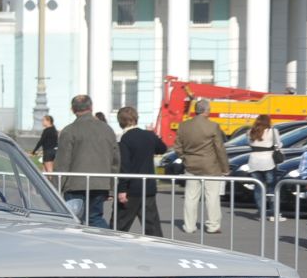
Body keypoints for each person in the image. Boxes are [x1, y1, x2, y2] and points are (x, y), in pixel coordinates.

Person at [53, 93, 117, 227]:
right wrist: (111, 188)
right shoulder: (107, 129)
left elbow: (62, 163)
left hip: (75, 185)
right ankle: (104, 243)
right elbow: (115, 161)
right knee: (96, 218)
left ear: (73, 109)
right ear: (91, 107)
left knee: (74, 220)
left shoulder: (69, 131)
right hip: (100, 184)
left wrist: (55, 188)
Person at [174, 97, 229, 235]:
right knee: (212, 197)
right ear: (207, 111)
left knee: (191, 197)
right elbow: (219, 149)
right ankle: (213, 226)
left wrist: (185, 158)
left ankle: (189, 226)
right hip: (210, 166)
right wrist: (225, 168)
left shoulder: (183, 126)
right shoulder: (213, 126)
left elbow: (177, 147)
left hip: (191, 166)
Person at [113, 107, 165, 236]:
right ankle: (160, 251)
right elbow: (162, 148)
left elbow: (125, 166)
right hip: (148, 187)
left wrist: (122, 189)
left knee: (119, 225)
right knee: (152, 227)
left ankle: (111, 250)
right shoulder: (148, 135)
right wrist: (154, 135)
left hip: (132, 189)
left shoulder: (125, 139)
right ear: (136, 119)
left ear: (120, 122)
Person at [239, 113, 281, 215]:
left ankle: (261, 211)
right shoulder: (273, 131)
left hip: (254, 161)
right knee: (271, 187)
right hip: (268, 161)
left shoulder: (250, 132)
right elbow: (278, 145)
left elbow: (249, 144)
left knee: (258, 187)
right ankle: (273, 210)